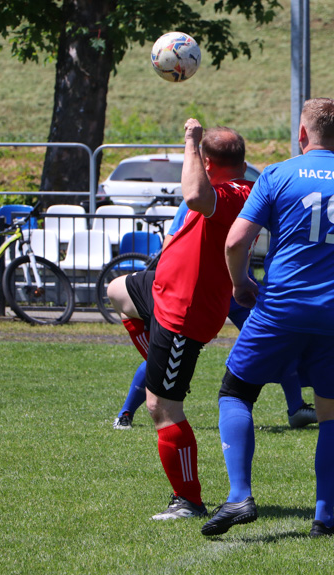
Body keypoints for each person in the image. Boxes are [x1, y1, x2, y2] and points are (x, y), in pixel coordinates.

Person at [200, 98, 334, 538]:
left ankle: (240, 495)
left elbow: (235, 241)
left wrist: (241, 283)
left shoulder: (279, 174)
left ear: (302, 135)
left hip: (279, 308)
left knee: (236, 393)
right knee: (333, 414)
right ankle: (323, 516)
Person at [106, 120, 252, 521]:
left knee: (162, 407)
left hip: (184, 313)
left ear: (207, 162)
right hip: (162, 290)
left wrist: (189, 140)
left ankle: (187, 500)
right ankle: (158, 359)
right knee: (118, 290)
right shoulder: (224, 188)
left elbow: (194, 193)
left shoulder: (234, 193)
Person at [112, 202, 317, 431]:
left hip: (239, 287)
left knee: (275, 343)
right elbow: (171, 247)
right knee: (162, 355)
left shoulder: (245, 195)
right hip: (202, 291)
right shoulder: (197, 200)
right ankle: (126, 412)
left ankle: (296, 407)